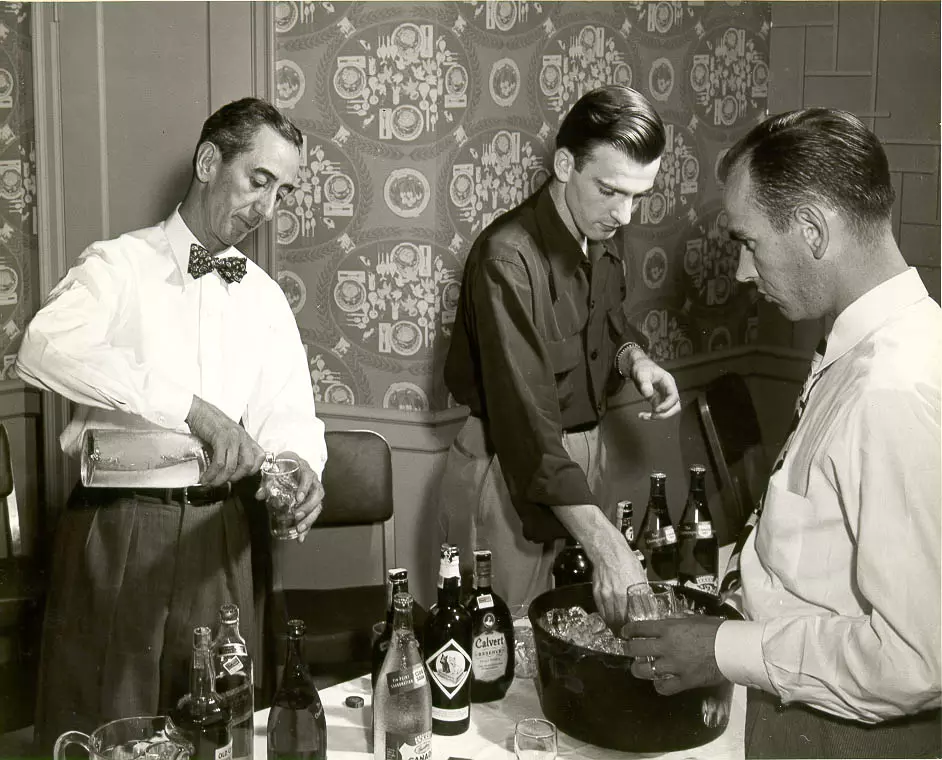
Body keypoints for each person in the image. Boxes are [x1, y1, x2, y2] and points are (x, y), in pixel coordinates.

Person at [624, 108, 941, 758]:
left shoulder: (890, 391)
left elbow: (915, 659)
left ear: (813, 230)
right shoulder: (875, 348)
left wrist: (720, 649)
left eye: (749, 242)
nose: (743, 271)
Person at [16, 97, 328, 748]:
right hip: (120, 528)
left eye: (284, 191)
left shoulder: (265, 297)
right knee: (108, 726)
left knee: (215, 727)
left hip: (225, 536)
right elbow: (41, 349)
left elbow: (290, 414)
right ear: (210, 162)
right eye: (259, 181)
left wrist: (300, 467)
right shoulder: (118, 266)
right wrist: (191, 410)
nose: (268, 209)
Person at [440, 85, 681, 625]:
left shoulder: (597, 231)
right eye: (611, 190)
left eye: (638, 196)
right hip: (508, 467)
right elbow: (526, 425)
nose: (625, 214)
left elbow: (607, 321)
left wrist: (633, 358)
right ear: (565, 163)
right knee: (500, 644)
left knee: (559, 633)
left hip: (573, 462)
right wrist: (607, 544)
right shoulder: (508, 258)